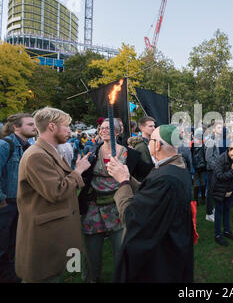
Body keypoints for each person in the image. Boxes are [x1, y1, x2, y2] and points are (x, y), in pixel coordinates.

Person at [107, 124, 194, 282]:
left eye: (151, 140)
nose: (148, 144)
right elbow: (150, 193)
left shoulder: (166, 179)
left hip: (160, 259)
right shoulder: (174, 168)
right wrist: (127, 177)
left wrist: (123, 183)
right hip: (172, 247)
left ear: (158, 145)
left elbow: (132, 217)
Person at [15, 107, 91, 283]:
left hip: (55, 235)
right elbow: (56, 192)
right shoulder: (37, 155)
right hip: (44, 239)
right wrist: (78, 171)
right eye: (66, 126)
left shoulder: (49, 151)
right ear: (51, 127)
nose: (70, 131)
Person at [77, 119, 132, 283]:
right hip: (94, 209)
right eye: (102, 128)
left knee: (121, 249)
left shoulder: (130, 154)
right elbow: (83, 175)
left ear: (118, 131)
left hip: (118, 209)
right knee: (92, 252)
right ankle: (91, 278)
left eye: (110, 128)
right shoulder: (92, 151)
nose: (105, 130)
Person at [0, 113, 37, 283]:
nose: (34, 127)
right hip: (6, 205)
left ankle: (12, 274)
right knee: (3, 245)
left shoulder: (26, 147)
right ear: (16, 127)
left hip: (20, 204)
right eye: (30, 124)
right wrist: (2, 201)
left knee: (15, 243)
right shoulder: (5, 145)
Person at [209, 142, 233, 246]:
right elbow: (220, 176)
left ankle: (226, 231)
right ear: (230, 149)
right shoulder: (221, 159)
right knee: (219, 212)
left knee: (227, 210)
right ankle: (217, 234)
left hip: (229, 190)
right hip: (219, 189)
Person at [205, 121, 225, 222]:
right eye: (219, 128)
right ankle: (208, 213)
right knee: (210, 191)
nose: (221, 129)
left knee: (214, 190)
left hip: (215, 169)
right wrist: (216, 168)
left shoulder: (217, 140)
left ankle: (211, 210)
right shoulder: (210, 141)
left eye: (221, 128)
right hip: (211, 170)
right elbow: (208, 158)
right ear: (213, 129)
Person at [191, 128, 207, 205]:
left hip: (195, 166)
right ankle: (203, 199)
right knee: (202, 181)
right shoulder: (203, 144)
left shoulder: (192, 144)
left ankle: (196, 200)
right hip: (202, 165)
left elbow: (191, 156)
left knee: (196, 182)